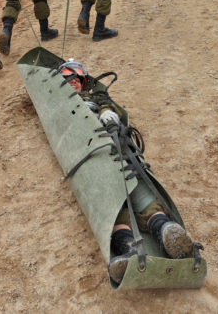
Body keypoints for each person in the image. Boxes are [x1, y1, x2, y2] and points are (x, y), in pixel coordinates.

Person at [58, 60, 196, 284]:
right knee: (110, 201)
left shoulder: (97, 98)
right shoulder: (59, 102)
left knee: (139, 187)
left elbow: (110, 107)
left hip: (116, 144)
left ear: (84, 83)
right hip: (90, 154)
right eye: (68, 78)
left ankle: (165, 230)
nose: (73, 82)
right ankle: (129, 249)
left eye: (77, 79)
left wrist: (106, 112)